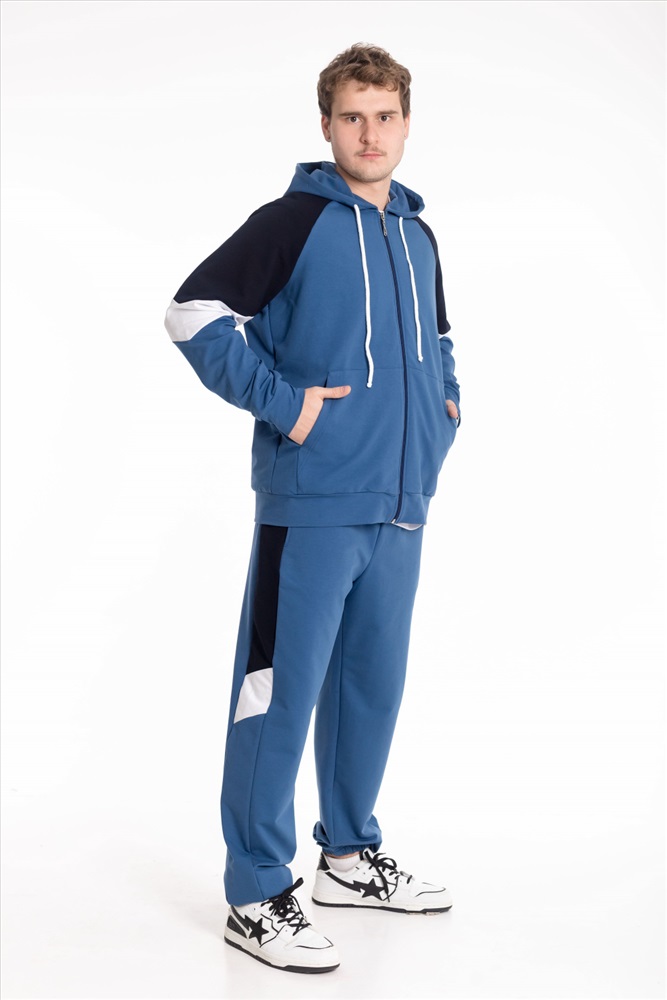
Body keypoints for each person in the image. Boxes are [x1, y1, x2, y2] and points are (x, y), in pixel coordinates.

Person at [165, 42, 460, 975]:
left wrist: (445, 410)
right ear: (326, 125)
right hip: (312, 504)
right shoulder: (292, 221)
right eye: (352, 117)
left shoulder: (417, 235)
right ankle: (256, 891)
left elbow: (438, 341)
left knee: (370, 686)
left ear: (406, 123)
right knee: (277, 693)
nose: (370, 134)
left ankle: (349, 857)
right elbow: (192, 313)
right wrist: (286, 407)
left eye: (385, 116)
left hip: (400, 503)